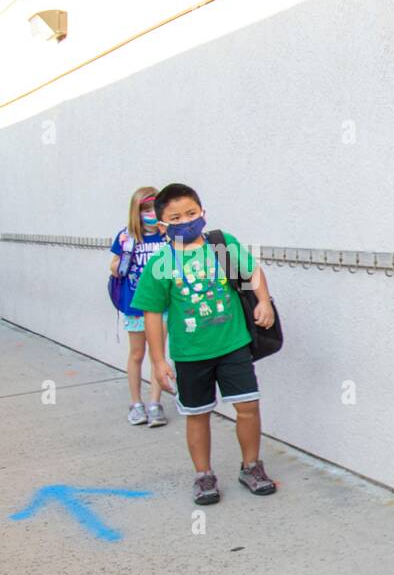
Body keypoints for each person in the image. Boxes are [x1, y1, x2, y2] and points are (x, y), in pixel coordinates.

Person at [132, 183, 279, 505]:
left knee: (248, 408)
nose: (186, 220)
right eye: (176, 217)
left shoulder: (220, 246)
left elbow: (251, 273)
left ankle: (251, 467)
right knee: (197, 414)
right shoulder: (160, 264)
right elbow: (153, 315)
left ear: (202, 213)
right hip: (190, 354)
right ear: (162, 225)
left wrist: (263, 301)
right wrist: (158, 362)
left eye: (191, 213)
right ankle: (203, 475)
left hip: (233, 345)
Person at [109, 187, 170, 427]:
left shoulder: (167, 237)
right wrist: (123, 259)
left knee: (158, 356)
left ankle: (155, 404)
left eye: (154, 208)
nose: (151, 213)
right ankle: (136, 404)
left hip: (162, 306)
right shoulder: (127, 236)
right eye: (145, 209)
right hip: (135, 306)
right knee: (136, 354)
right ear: (136, 211)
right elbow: (113, 265)